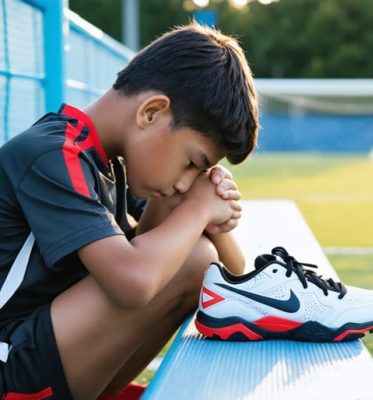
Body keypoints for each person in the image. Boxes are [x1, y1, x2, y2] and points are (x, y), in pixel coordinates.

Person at [0, 23, 258, 400]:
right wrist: (200, 209)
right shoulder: (53, 154)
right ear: (151, 113)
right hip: (9, 364)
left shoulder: (117, 165)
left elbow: (232, 281)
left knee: (190, 250)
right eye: (191, 162)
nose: (187, 182)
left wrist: (211, 212)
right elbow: (134, 282)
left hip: (36, 358)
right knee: (190, 257)